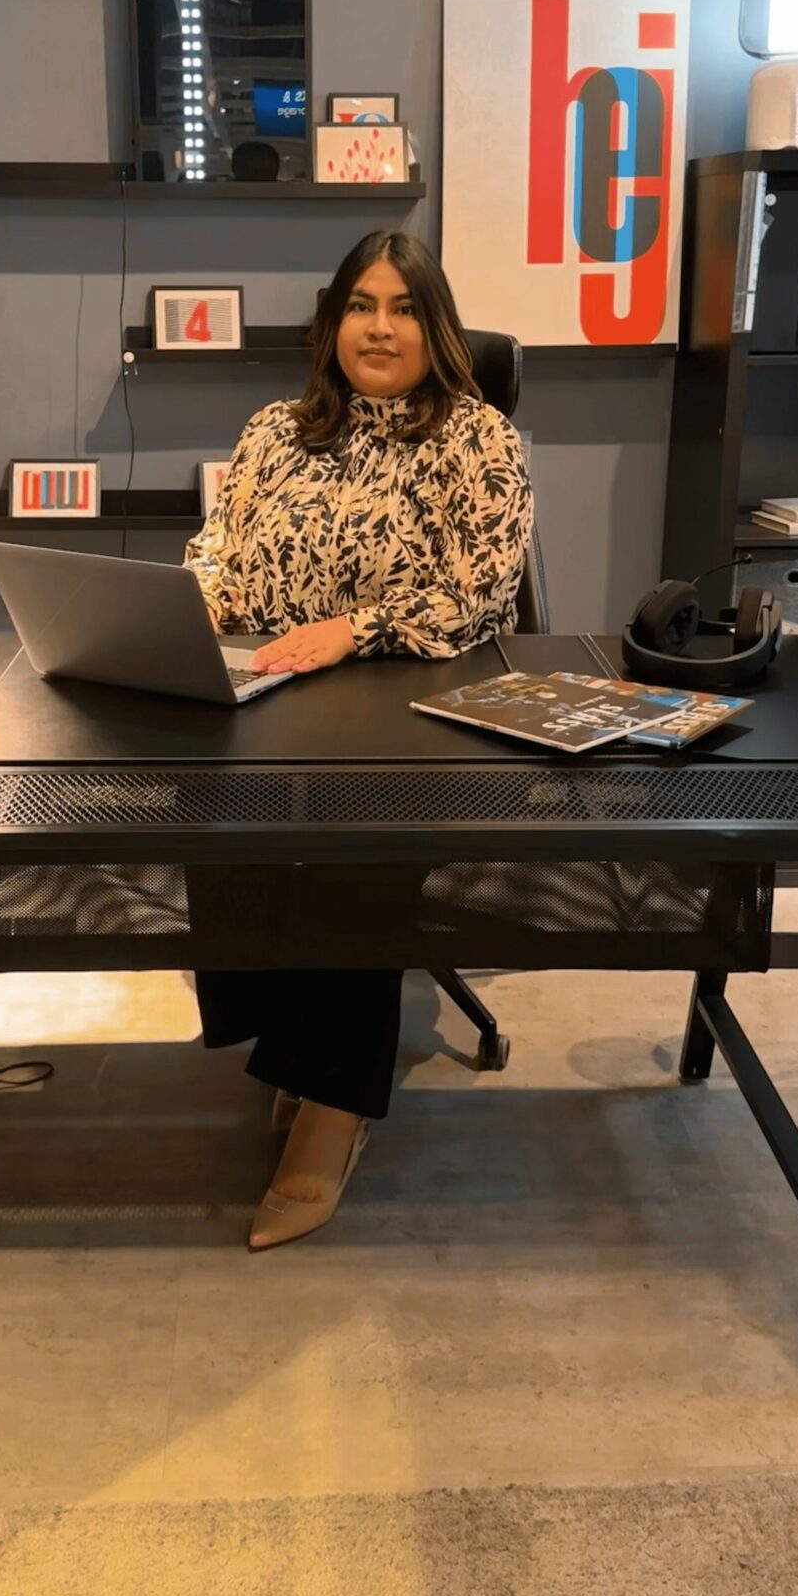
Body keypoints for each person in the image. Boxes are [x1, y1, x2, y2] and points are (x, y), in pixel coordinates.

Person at [182, 229, 533, 1250]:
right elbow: (219, 553)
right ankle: (292, 1045)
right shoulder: (273, 431)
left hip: (411, 703)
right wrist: (188, 605)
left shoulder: (479, 440)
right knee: (211, 806)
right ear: (331, 322)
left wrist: (357, 627)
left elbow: (481, 590)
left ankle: (334, 1101)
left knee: (344, 835)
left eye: (404, 308)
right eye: (360, 305)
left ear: (438, 328)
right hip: (275, 685)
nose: (379, 327)